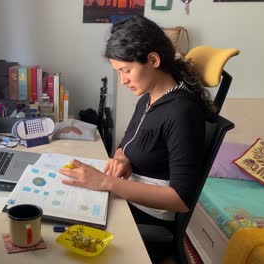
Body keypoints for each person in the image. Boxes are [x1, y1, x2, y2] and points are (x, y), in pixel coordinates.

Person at [59, 15, 214, 261]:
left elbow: (181, 199)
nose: (123, 81)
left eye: (126, 71)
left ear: (153, 60)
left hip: (147, 216)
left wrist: (105, 182)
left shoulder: (182, 111)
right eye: (118, 72)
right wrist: (122, 159)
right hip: (125, 199)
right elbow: (125, 146)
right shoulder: (147, 98)